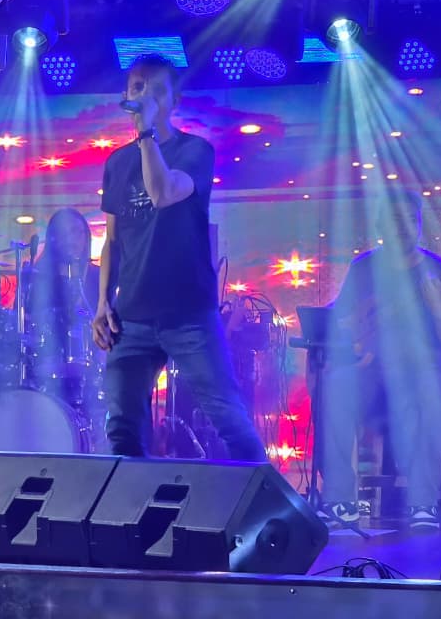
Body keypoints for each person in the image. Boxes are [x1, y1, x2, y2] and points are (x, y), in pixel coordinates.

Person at [90, 54, 265, 462]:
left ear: (174, 101)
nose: (144, 95)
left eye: (156, 90)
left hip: (189, 314)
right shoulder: (117, 162)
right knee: (122, 427)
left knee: (227, 417)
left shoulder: (195, 151)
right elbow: (112, 241)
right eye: (137, 87)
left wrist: (146, 133)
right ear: (125, 95)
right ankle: (133, 502)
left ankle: (269, 497)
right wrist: (102, 303)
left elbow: (163, 192)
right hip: (132, 317)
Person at [314, 191, 441, 531]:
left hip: (426, 370)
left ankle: (423, 503)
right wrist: (354, 326)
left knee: (432, 391)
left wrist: (439, 307)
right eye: (395, 220)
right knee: (336, 385)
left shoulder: (437, 270)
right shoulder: (363, 268)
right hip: (372, 369)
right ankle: (339, 500)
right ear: (381, 225)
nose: (404, 227)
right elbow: (342, 324)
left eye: (411, 220)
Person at [26, 208, 101, 408]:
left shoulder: (99, 277)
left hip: (93, 370)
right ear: (53, 238)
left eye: (77, 231)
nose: (72, 238)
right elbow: (26, 322)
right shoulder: (38, 278)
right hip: (47, 369)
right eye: (65, 232)